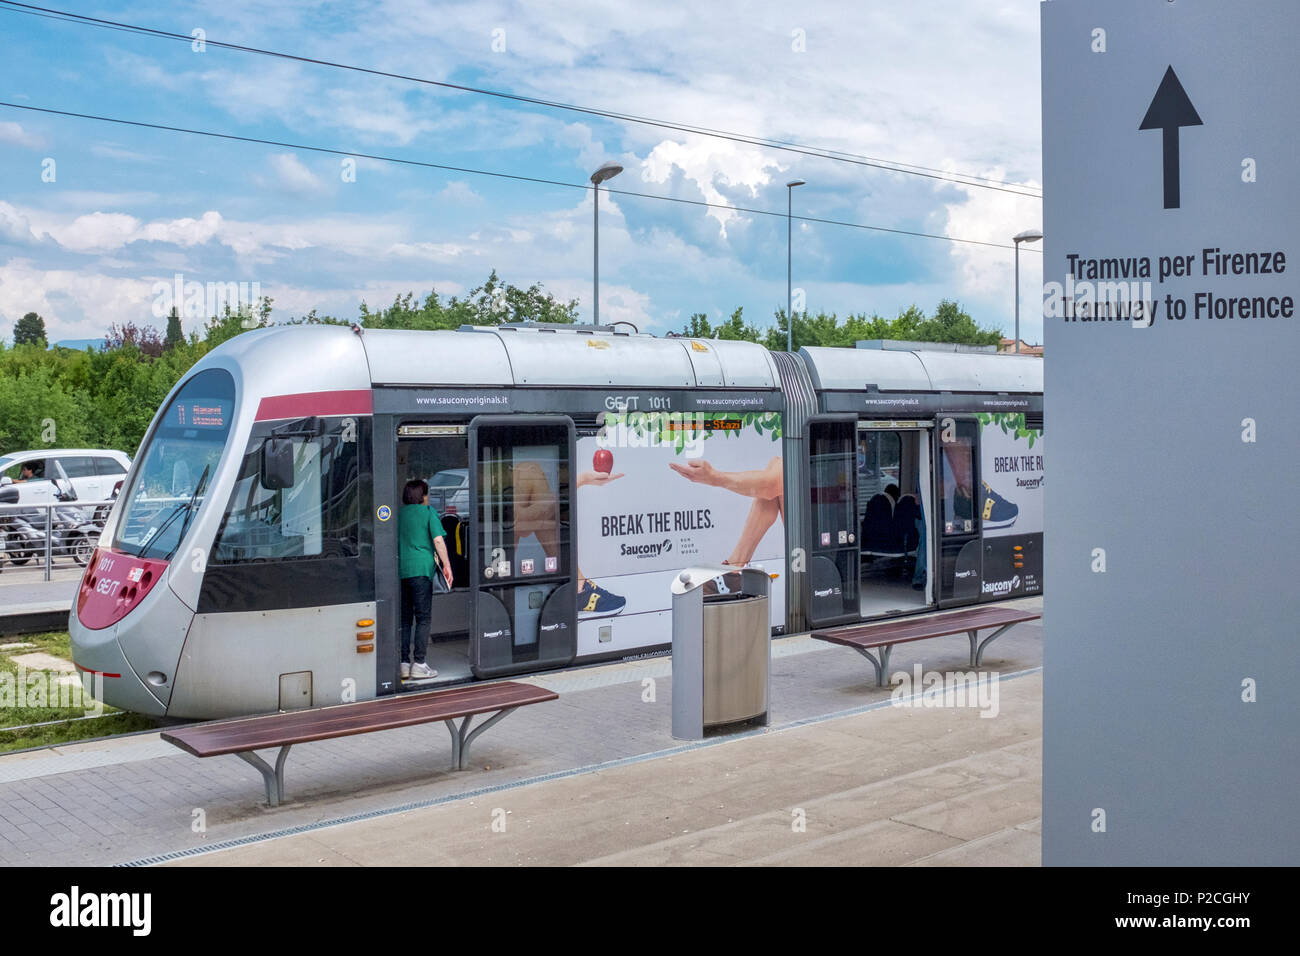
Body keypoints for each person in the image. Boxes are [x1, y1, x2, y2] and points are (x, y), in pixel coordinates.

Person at [398, 478, 453, 680]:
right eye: (427, 494)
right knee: (423, 618)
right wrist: (447, 566)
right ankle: (419, 664)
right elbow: (438, 540)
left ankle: (403, 664)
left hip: (401, 571)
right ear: (422, 497)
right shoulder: (428, 512)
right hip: (421, 570)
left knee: (405, 619)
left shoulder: (399, 514)